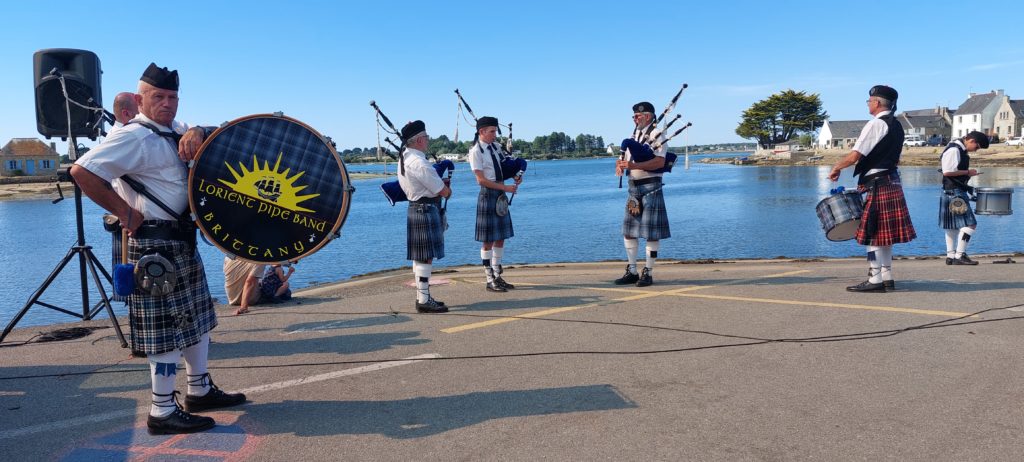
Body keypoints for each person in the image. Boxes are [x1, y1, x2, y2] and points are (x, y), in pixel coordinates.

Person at [70, 63, 245, 435]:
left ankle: (199, 390)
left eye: (172, 98)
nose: (167, 104)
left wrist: (198, 130)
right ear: (139, 99)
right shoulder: (132, 136)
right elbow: (82, 172)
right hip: (153, 245)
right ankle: (162, 411)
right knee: (163, 332)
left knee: (199, 320)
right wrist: (123, 211)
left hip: (181, 239)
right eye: (158, 97)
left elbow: (223, 130)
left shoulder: (174, 130)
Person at [828, 85, 916, 292]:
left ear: (876, 103)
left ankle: (874, 279)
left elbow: (856, 155)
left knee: (873, 234)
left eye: (869, 101)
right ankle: (887, 276)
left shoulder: (876, 124)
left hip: (878, 184)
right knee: (884, 236)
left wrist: (836, 167)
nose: (868, 104)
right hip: (890, 180)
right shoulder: (896, 125)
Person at [397, 120, 452, 313]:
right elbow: (442, 191)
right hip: (425, 210)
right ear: (419, 140)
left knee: (421, 257)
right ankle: (423, 300)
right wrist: (446, 188)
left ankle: (423, 296)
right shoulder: (419, 162)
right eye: (426, 137)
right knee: (425, 257)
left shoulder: (404, 157)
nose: (428, 140)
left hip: (416, 208)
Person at [614, 102, 670, 287]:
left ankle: (648, 272)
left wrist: (634, 166)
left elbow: (659, 163)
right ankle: (632, 270)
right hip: (633, 189)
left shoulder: (657, 134)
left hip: (650, 187)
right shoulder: (635, 135)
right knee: (629, 233)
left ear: (648, 116)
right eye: (634, 117)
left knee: (651, 234)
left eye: (637, 116)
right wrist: (621, 164)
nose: (635, 119)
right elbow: (628, 159)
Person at [468, 116, 521, 292]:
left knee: (501, 237)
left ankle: (498, 275)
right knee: (488, 240)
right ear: (481, 132)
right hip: (488, 195)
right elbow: (480, 180)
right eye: (492, 131)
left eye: (496, 131)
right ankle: (489, 278)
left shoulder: (496, 147)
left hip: (499, 193)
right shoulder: (475, 151)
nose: (495, 135)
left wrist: (514, 176)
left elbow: (504, 168)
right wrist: (505, 187)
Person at [939, 131, 988, 265]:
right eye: (977, 147)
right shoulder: (955, 150)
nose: (976, 150)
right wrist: (968, 172)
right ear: (971, 140)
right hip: (955, 192)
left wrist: (966, 175)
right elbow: (947, 171)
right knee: (970, 224)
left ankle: (950, 256)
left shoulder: (956, 147)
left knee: (952, 226)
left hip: (950, 191)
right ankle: (959, 255)